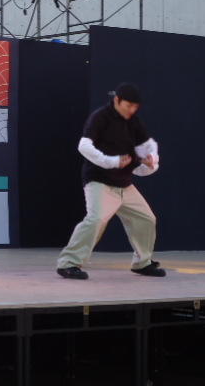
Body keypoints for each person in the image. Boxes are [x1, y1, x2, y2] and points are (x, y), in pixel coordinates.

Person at [56, 83, 165, 280]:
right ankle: (69, 263)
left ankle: (142, 263)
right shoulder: (100, 117)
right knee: (96, 219)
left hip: (124, 184)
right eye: (128, 105)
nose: (131, 110)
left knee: (146, 218)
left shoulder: (133, 122)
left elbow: (147, 148)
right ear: (117, 100)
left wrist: (151, 161)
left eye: (135, 107)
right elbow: (83, 146)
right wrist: (111, 161)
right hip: (100, 181)